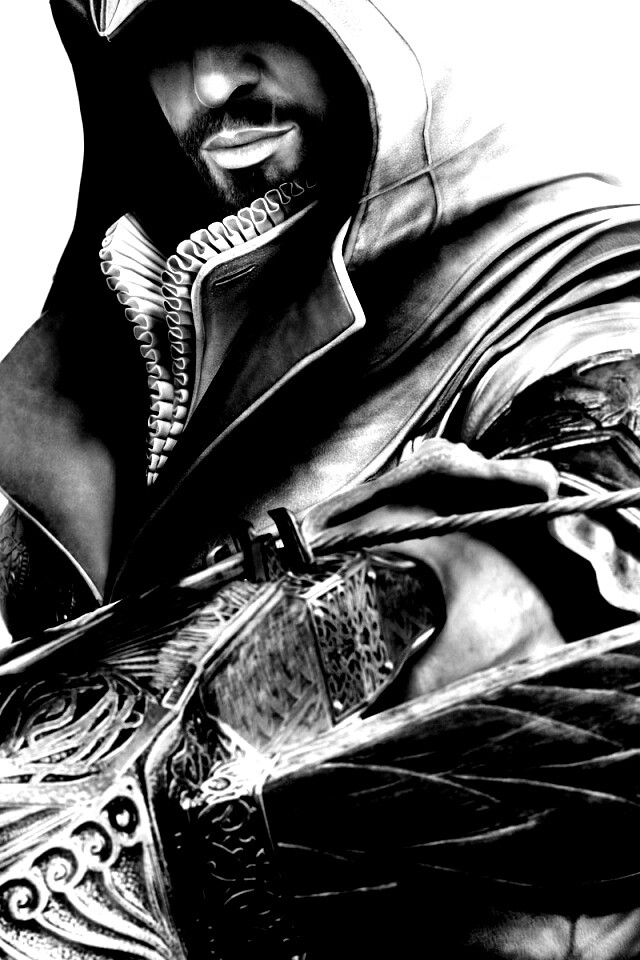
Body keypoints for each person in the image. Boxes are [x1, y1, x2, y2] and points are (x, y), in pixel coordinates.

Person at [2, 0, 640, 956]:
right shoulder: (107, 365)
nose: (211, 86)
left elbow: (578, 567)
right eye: (157, 39)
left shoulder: (576, 279)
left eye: (248, 6)